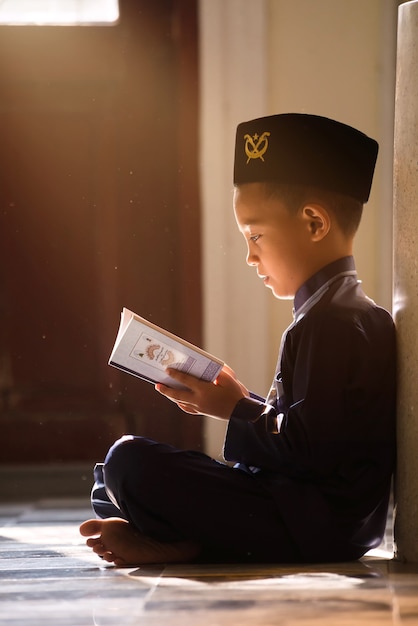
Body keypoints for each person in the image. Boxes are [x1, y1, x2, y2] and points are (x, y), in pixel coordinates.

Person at [80, 113, 396, 566]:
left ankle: (188, 541)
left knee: (128, 463)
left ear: (313, 223)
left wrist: (235, 407)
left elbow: (313, 453)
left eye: (256, 234)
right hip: (313, 517)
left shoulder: (334, 323)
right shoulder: (346, 314)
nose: (250, 255)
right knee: (115, 473)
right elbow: (312, 434)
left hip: (314, 526)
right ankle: (185, 539)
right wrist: (234, 400)